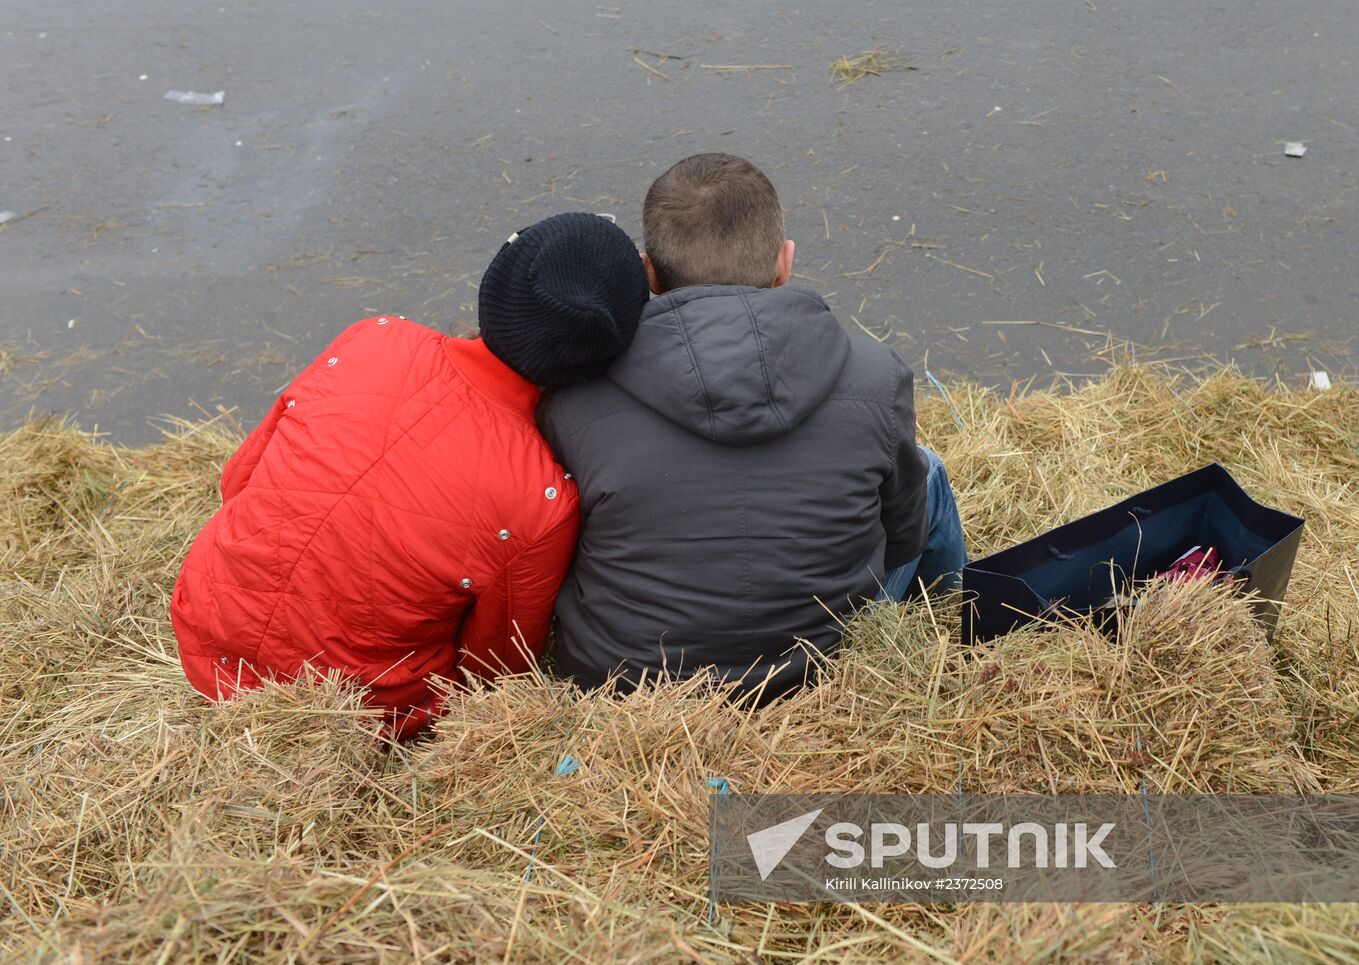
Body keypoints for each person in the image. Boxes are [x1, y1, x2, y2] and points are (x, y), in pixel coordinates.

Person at [171, 213, 649, 737]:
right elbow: (496, 670)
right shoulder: (541, 497)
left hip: (203, 628)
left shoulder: (372, 339)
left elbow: (237, 481)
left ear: (496, 288)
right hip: (355, 710)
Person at [541, 154, 966, 704]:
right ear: (784, 263)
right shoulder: (876, 374)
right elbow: (902, 534)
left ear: (647, 272)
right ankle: (955, 628)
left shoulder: (574, 398)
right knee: (925, 469)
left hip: (631, 683)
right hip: (821, 664)